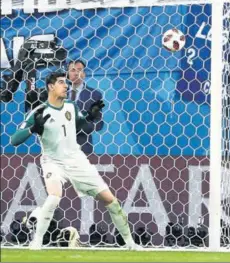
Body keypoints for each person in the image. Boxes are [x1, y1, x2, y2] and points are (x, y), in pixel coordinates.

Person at [9, 72, 139, 250]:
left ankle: (130, 243)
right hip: (53, 161)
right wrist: (34, 128)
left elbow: (77, 125)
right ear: (50, 86)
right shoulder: (39, 111)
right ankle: (36, 241)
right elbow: (15, 139)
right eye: (62, 82)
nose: (66, 86)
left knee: (111, 201)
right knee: (54, 197)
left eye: (67, 83)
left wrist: (90, 117)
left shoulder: (71, 106)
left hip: (77, 159)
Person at [67, 60, 104, 155]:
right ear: (67, 74)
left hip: (83, 146)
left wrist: (81, 126)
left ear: (84, 74)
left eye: (79, 70)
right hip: (59, 146)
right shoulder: (58, 93)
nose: (76, 73)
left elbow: (99, 123)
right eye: (72, 70)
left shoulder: (95, 94)